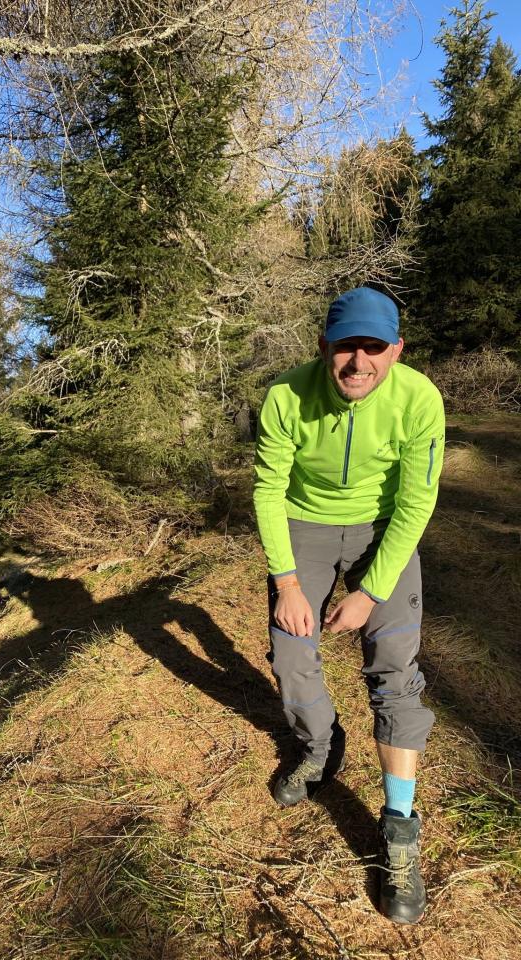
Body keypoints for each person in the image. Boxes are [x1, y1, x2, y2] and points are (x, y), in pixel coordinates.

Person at [253, 287, 445, 925]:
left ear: (396, 350)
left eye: (373, 348)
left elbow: (416, 502)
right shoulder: (286, 395)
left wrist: (370, 592)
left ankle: (399, 828)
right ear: (324, 347)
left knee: (395, 668)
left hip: (382, 529)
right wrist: (287, 583)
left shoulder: (419, 399)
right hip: (304, 523)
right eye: (345, 347)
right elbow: (269, 489)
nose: (358, 362)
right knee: (291, 652)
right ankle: (319, 747)